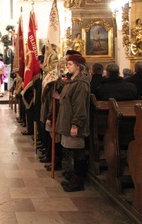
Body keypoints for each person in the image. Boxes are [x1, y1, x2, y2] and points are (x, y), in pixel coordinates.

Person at [55, 53, 90, 192]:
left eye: (70, 64)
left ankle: (78, 181)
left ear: (78, 67)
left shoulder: (81, 83)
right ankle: (74, 176)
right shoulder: (72, 80)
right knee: (72, 151)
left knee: (78, 152)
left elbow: (79, 105)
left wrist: (76, 124)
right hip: (68, 120)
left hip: (74, 123)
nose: (67, 67)